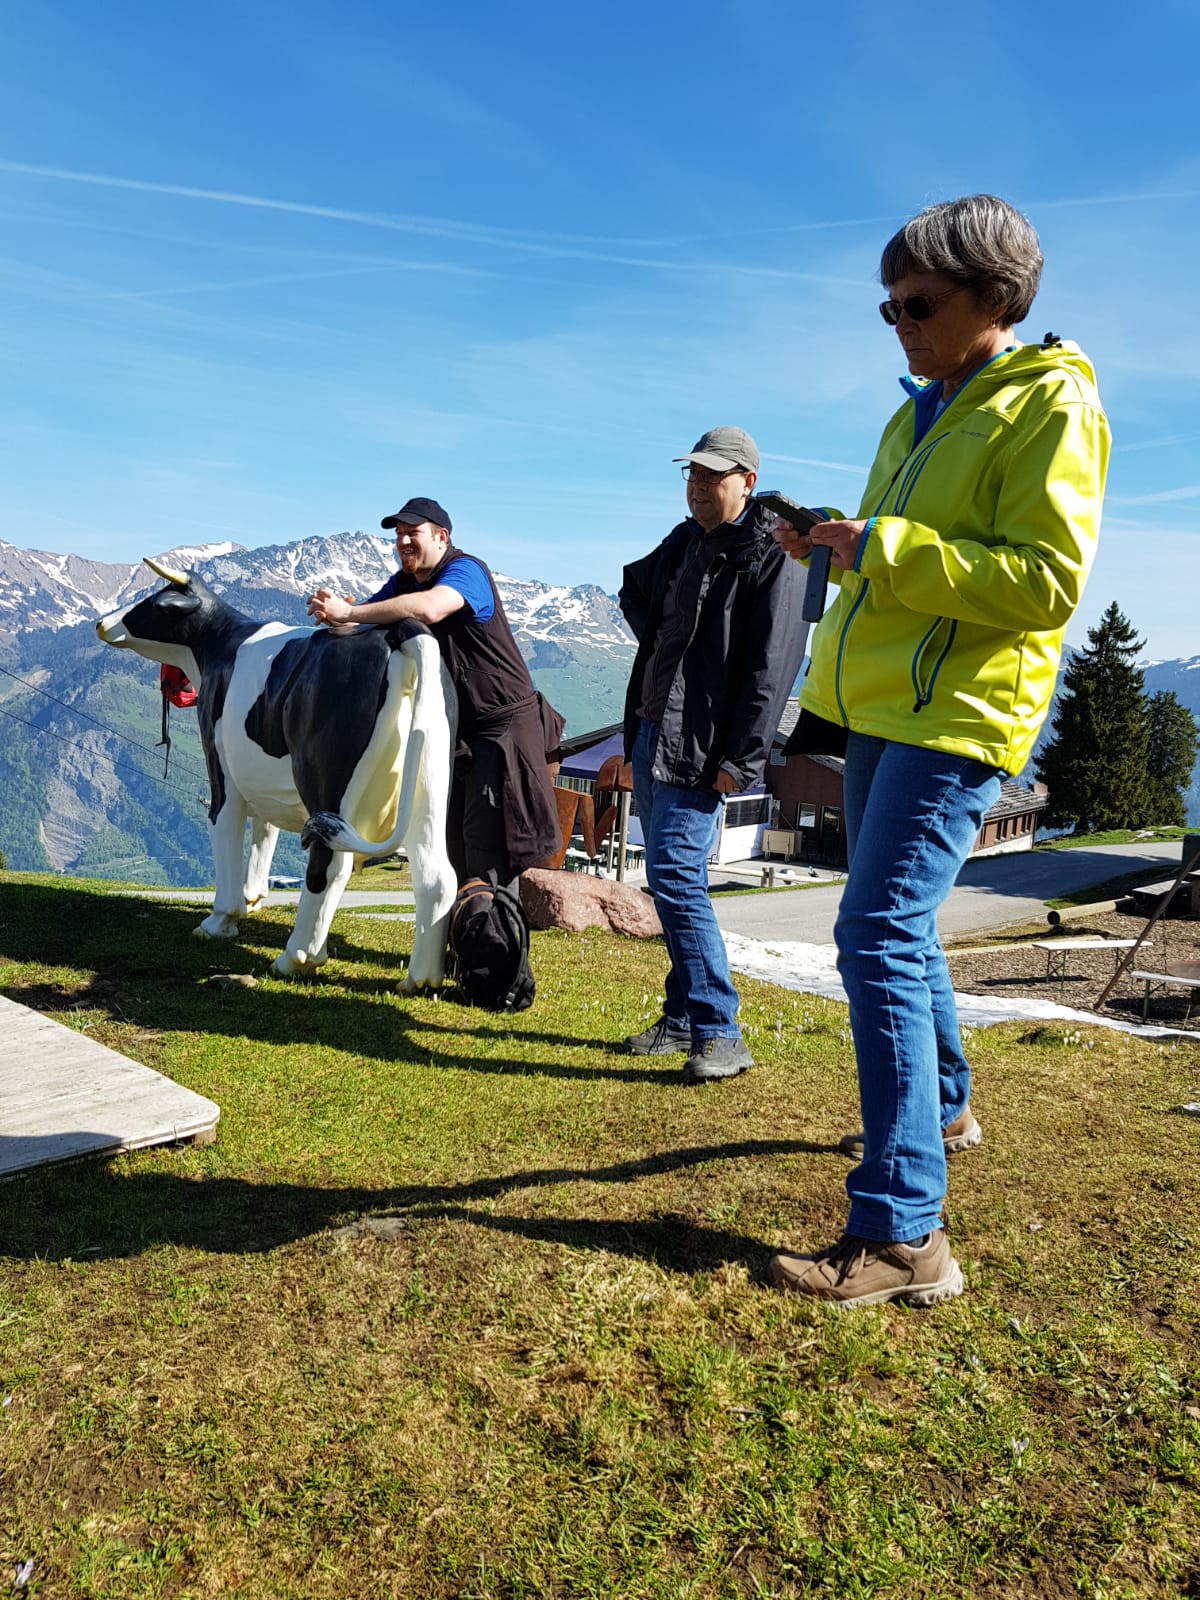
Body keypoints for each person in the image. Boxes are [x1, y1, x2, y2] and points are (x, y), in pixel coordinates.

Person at [768, 195, 1110, 1307]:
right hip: (884, 710)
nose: (897, 322)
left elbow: (1046, 583)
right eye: (888, 305)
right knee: (895, 931)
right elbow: (904, 564)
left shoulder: (1049, 404)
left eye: (918, 303)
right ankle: (950, 1105)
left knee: (873, 932)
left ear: (995, 301)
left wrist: (890, 545)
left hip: (958, 717)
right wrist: (841, 540)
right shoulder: (920, 412)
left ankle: (906, 1231)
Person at [619, 427, 808, 1084]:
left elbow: (772, 668)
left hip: (703, 748)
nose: (698, 486)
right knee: (673, 883)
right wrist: (671, 647)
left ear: (747, 482)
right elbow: (634, 591)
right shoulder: (684, 543)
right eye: (692, 475)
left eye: (713, 476)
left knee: (674, 878)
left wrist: (743, 755)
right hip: (651, 732)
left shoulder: (771, 556)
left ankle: (721, 1031)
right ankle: (680, 1019)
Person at [306, 497, 562, 889]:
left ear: (442, 537)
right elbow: (367, 623)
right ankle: (459, 946)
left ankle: (497, 945)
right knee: (451, 847)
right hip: (457, 733)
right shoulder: (404, 583)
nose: (404, 541)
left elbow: (428, 609)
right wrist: (336, 615)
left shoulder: (466, 571)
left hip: (502, 733)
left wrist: (350, 614)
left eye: (414, 533)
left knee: (489, 854)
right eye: (399, 535)